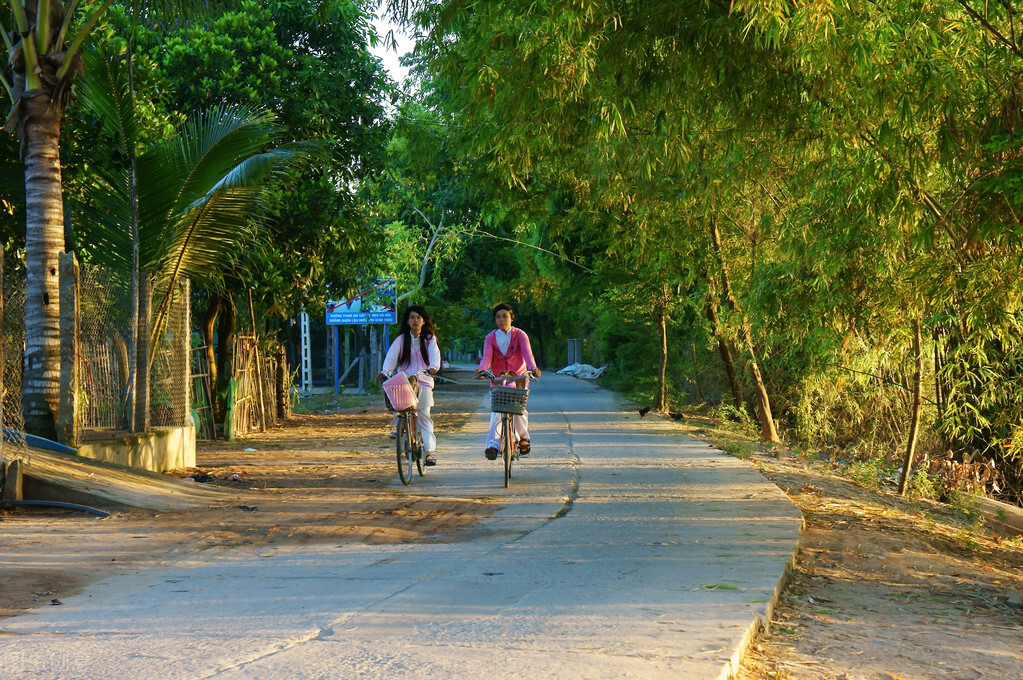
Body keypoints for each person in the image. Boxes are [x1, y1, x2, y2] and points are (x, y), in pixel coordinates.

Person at [474, 302, 541, 460]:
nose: (501, 319)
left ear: (512, 318)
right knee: (497, 412)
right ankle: (492, 445)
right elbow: (486, 357)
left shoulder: (520, 335)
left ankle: (524, 438)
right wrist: (482, 369)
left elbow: (528, 355)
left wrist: (534, 369)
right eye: (498, 317)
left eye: (505, 316)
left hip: (518, 378)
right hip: (498, 379)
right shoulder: (490, 338)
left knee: (519, 409)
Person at [377, 305, 441, 466]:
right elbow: (391, 358)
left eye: (418, 317)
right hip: (405, 382)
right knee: (400, 409)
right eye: (412, 317)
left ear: (423, 321)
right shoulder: (401, 340)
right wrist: (385, 371)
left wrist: (433, 368)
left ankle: (428, 452)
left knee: (424, 416)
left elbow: (435, 357)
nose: (415, 320)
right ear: (407, 321)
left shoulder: (429, 339)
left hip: (424, 382)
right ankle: (399, 426)